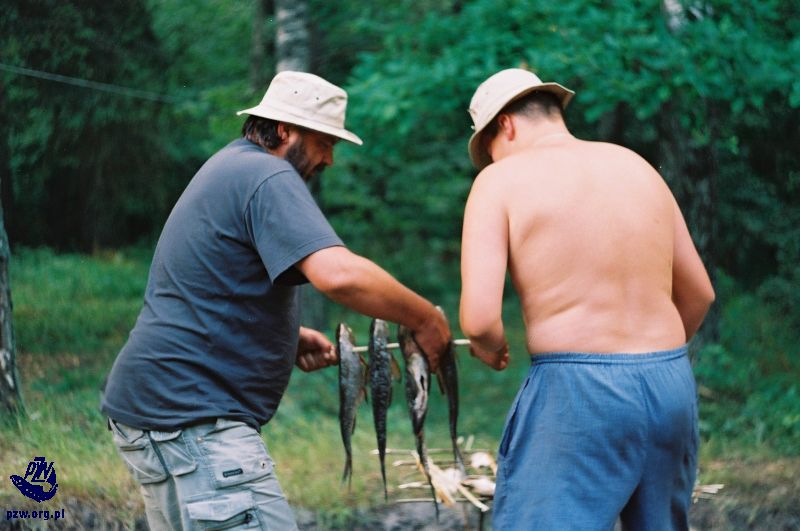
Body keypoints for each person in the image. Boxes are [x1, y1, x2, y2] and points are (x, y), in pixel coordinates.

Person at [100, 71, 450, 530]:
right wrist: (425, 318)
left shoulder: (233, 166)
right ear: (284, 131)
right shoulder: (268, 173)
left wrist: (283, 337)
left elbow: (210, 283)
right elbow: (338, 275)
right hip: (195, 421)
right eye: (325, 142)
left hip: (158, 413)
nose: (328, 159)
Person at [459, 68, 715, 530]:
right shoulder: (636, 166)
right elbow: (699, 293)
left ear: (506, 126)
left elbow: (479, 320)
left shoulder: (500, 182)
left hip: (578, 392)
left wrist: (490, 346)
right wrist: (649, 358)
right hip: (670, 383)